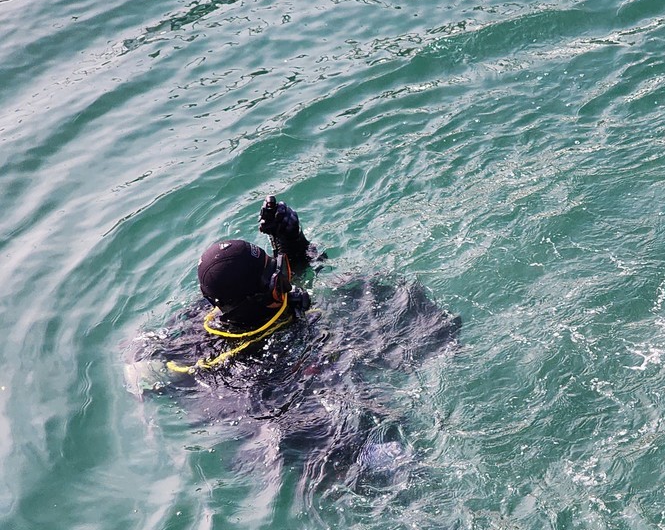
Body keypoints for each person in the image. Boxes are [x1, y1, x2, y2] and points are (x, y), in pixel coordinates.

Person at [126, 197, 461, 490]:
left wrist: (291, 242)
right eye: (277, 275)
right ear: (267, 292)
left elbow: (139, 360)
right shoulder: (248, 360)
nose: (286, 277)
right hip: (295, 415)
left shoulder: (203, 319)